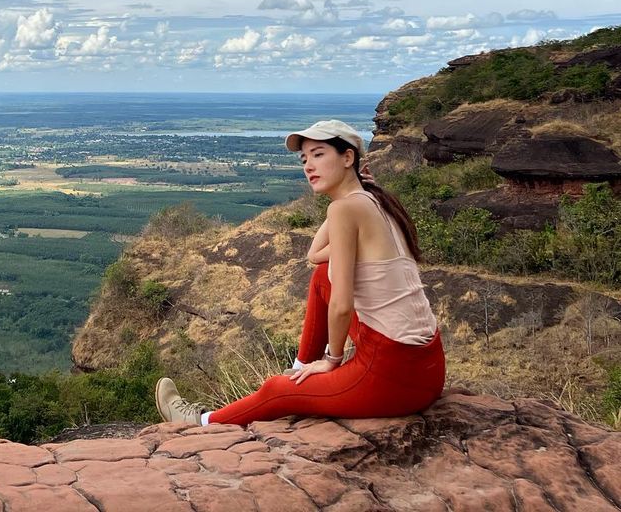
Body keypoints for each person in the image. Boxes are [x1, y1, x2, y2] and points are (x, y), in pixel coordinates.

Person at [156, 119, 444, 426]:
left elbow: (342, 305)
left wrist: (332, 360)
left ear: (348, 158)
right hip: (427, 367)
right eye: (304, 159)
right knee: (323, 275)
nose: (308, 166)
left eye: (319, 154)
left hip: (392, 377)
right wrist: (348, 191)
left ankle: (199, 421)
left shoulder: (347, 209)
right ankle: (301, 368)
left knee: (276, 391)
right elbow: (315, 255)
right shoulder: (375, 200)